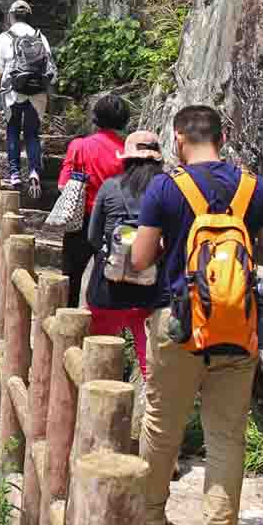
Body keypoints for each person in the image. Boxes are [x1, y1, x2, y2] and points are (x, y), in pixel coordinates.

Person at [130, 105, 263, 525]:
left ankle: (151, 510)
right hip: (236, 328)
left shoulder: (165, 188)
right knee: (226, 437)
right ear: (224, 136)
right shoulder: (252, 188)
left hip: (178, 325)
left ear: (179, 139)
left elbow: (139, 260)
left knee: (162, 419)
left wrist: (172, 250)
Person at [83, 129, 164, 373]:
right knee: (148, 358)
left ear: (126, 159)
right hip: (149, 291)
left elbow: (93, 237)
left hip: (108, 288)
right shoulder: (166, 190)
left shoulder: (110, 188)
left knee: (96, 356)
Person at [56, 93, 130, 309]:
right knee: (109, 278)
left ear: (95, 118)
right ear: (124, 121)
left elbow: (63, 186)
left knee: (71, 275)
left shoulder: (79, 146)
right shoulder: (126, 152)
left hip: (81, 221)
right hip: (115, 224)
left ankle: (65, 320)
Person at [0, 0, 55, 200]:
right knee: (32, 134)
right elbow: (50, 68)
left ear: (11, 16)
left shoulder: (4, 37)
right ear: (29, 16)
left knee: (13, 131)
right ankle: (34, 171)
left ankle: (15, 174)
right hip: (37, 93)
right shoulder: (40, 37)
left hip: (12, 93)